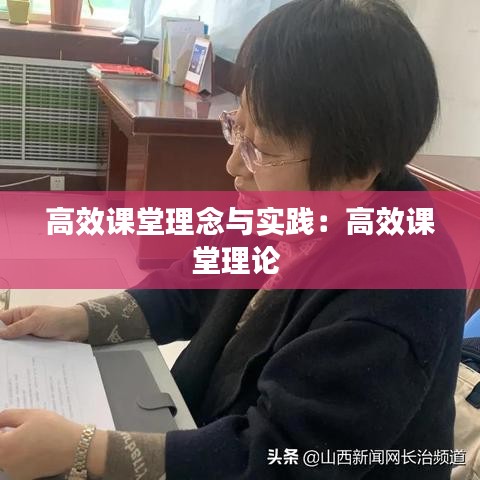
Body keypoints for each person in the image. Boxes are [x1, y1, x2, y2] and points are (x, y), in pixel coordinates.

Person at [0, 1, 466, 479]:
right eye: (236, 127)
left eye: (260, 149)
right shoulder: (293, 209)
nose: (234, 167)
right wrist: (78, 319)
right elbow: (191, 284)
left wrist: (83, 450)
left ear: (357, 168)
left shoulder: (397, 297)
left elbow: (275, 459)